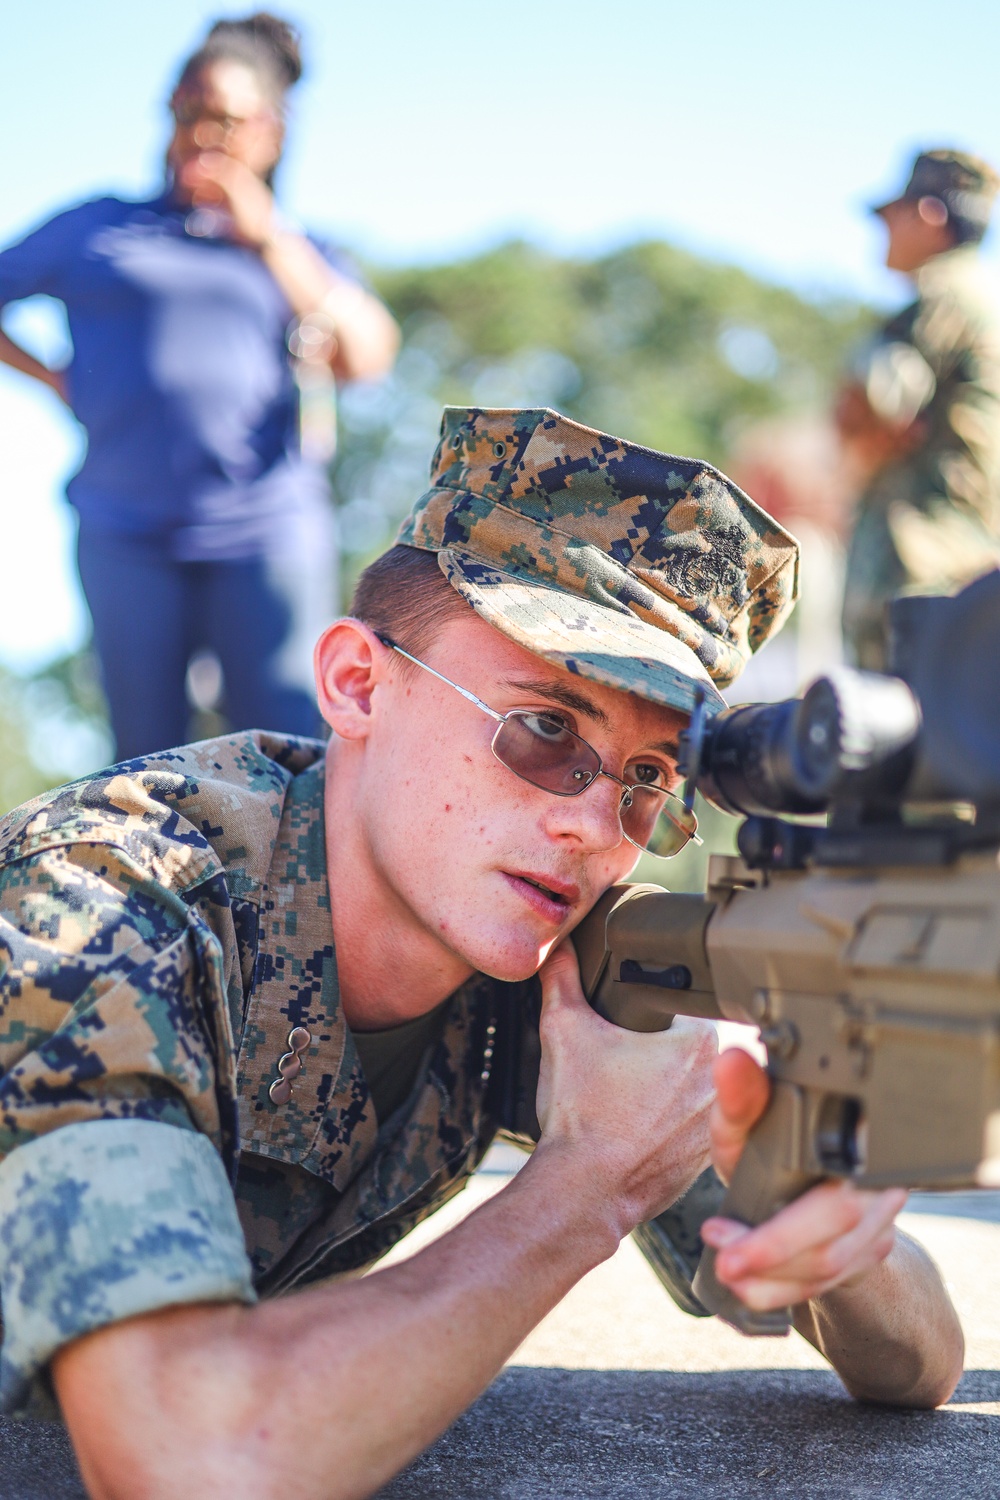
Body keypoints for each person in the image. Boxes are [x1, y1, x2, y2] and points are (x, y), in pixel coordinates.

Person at [0, 408, 961, 1499]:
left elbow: (922, 1364)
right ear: (359, 683)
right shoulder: (106, 906)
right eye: (545, 730)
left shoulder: (555, 948)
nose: (593, 827)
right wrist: (583, 1189)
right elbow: (188, 1461)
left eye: (648, 780)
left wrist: (833, 1220)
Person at [0, 12, 399, 759]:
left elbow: (368, 353)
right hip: (125, 529)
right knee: (142, 756)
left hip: (264, 528)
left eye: (222, 120)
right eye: (185, 115)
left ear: (269, 131)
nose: (199, 137)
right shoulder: (101, 227)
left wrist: (267, 235)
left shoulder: (297, 250)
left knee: (285, 752)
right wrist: (54, 377)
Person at [837, 149, 1000, 669]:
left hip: (918, 568)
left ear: (928, 217)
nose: (883, 231)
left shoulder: (940, 296)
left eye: (891, 216)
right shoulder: (987, 299)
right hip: (972, 568)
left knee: (887, 738)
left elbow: (882, 409)